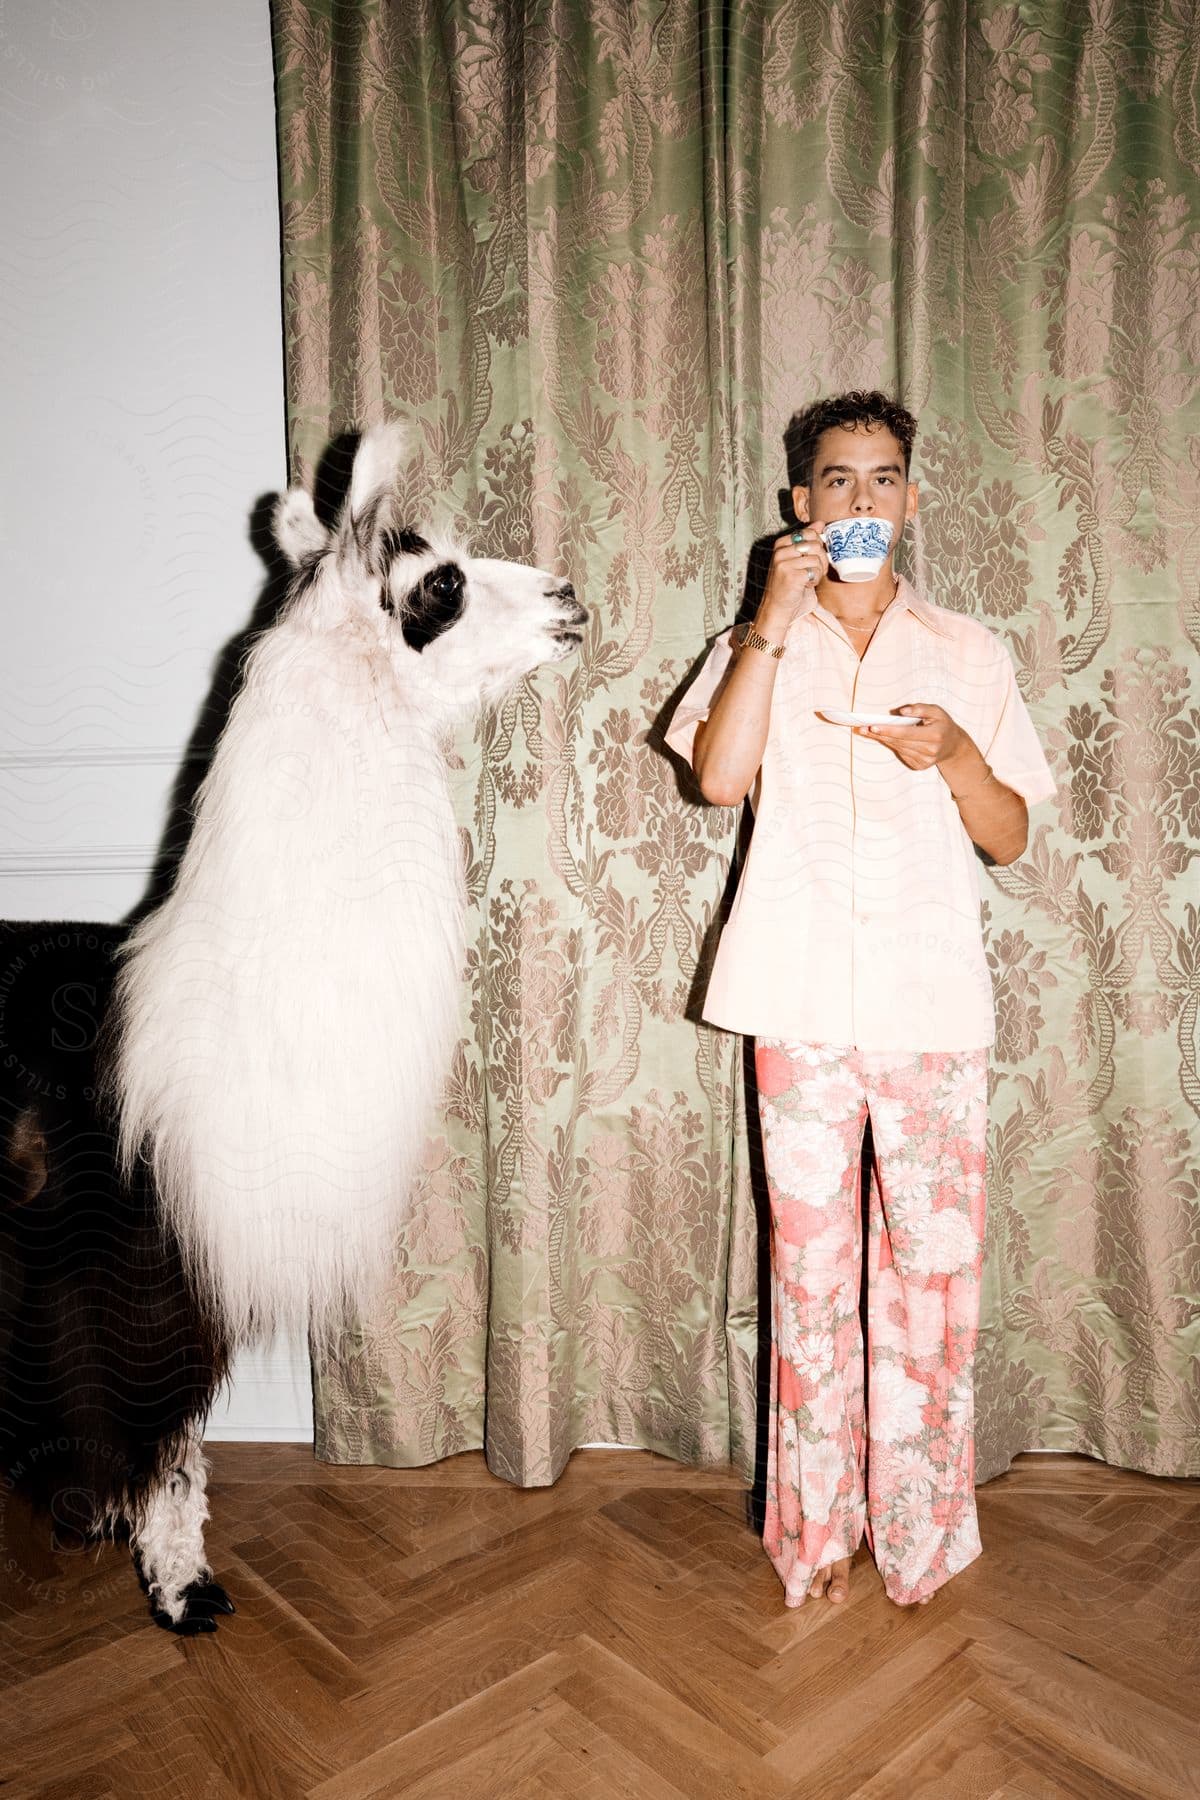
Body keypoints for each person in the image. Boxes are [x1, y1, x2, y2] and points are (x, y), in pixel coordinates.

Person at [665, 391, 1055, 1609]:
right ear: (802, 505)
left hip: (932, 1007)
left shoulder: (969, 652)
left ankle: (926, 1540)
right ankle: (813, 1534)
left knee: (933, 1285)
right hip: (799, 1003)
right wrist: (769, 622)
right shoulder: (757, 642)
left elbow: (1012, 839)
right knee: (813, 1279)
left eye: (884, 479)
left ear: (912, 499)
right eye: (838, 481)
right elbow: (719, 779)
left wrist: (954, 755)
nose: (862, 502)